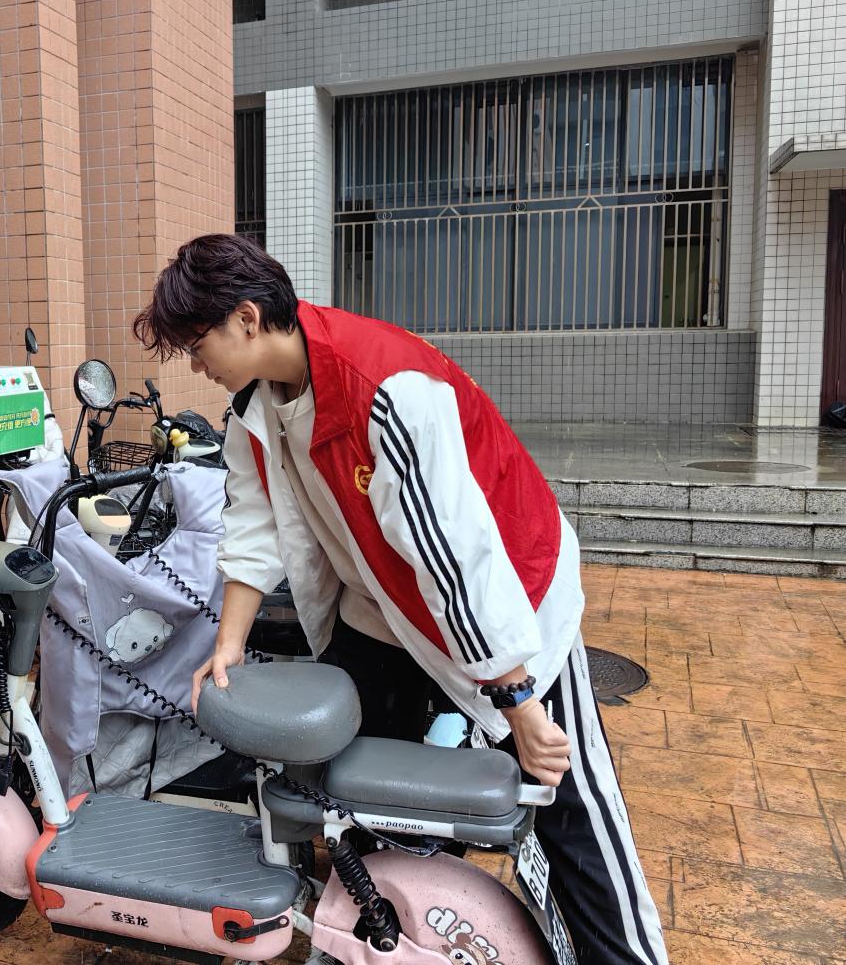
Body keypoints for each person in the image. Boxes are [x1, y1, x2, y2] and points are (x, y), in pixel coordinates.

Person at [132, 233, 668, 965]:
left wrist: (517, 700)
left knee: (569, 811)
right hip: (382, 610)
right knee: (364, 795)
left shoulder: (384, 389)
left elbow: (456, 562)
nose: (197, 366)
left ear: (248, 320)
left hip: (512, 599)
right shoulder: (254, 407)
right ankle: (398, 933)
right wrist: (227, 644)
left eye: (198, 346)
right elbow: (251, 525)